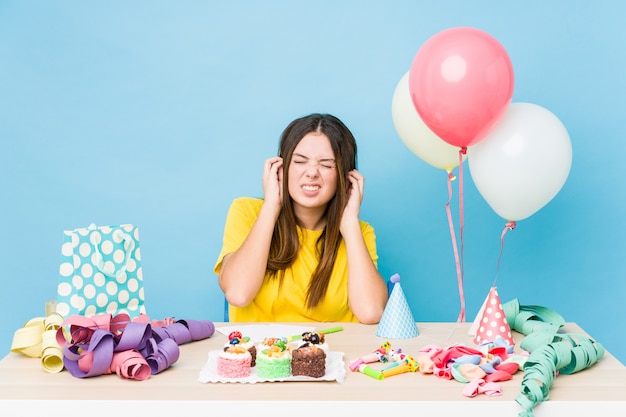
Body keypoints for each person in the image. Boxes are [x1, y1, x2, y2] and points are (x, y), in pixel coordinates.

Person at [214, 113, 388, 324]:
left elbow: (371, 313)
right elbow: (238, 294)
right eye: (299, 161)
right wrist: (271, 206)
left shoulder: (360, 232)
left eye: (326, 164)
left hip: (333, 354)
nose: (312, 172)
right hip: (265, 355)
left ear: (345, 176)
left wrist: (350, 224)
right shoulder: (247, 211)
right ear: (281, 168)